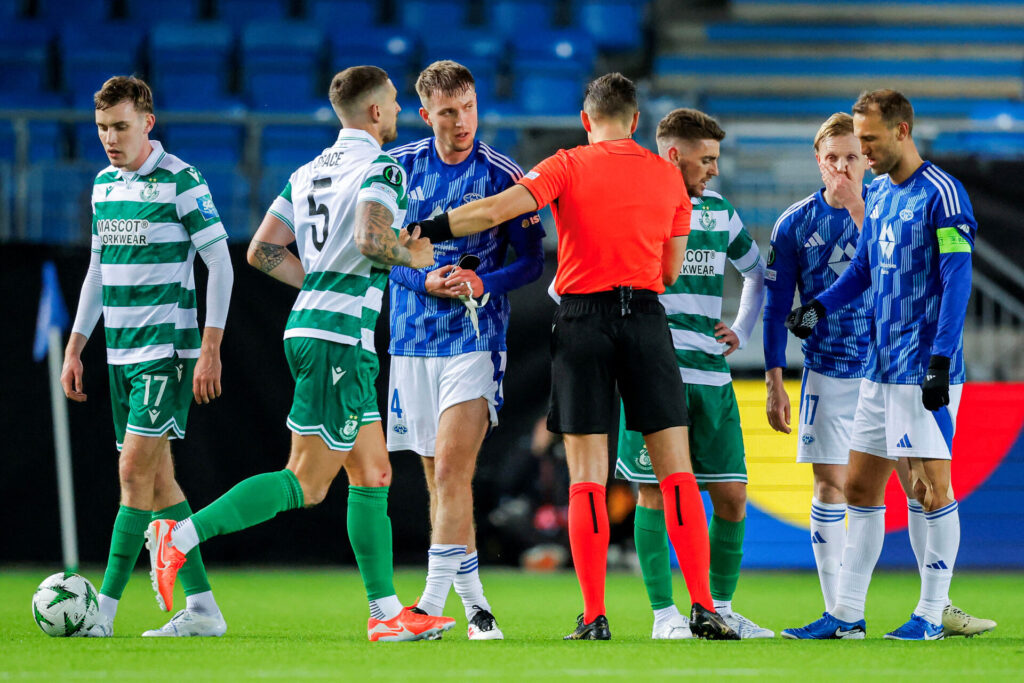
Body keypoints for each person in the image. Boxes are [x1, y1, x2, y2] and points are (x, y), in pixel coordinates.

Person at [411, 72, 738, 640]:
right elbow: (669, 271)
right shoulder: (668, 177)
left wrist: (427, 226)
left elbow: (493, 212)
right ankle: (704, 607)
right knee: (676, 474)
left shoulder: (566, 164)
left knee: (586, 477)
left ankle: (593, 616)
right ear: (636, 122)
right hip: (645, 319)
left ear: (588, 120)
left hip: (583, 321)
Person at [146, 66, 455, 642]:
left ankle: (386, 615)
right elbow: (370, 240)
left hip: (320, 328)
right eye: (391, 102)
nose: (395, 111)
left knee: (374, 472)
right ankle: (178, 539)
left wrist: (319, 279)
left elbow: (263, 249)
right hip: (337, 338)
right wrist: (415, 257)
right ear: (374, 113)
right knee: (306, 483)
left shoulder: (309, 170)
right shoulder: (382, 167)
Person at [770, 112, 996, 639]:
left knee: (928, 488)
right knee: (858, 487)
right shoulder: (883, 196)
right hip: (878, 367)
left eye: (868, 140)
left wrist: (942, 358)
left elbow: (958, 277)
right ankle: (847, 614)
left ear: (902, 130)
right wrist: (819, 308)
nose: (863, 151)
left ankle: (932, 613)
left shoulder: (943, 193)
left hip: (921, 368)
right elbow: (864, 269)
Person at [59, 76, 234, 638]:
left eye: (121, 127)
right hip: (120, 355)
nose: (111, 138)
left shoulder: (181, 180)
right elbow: (97, 272)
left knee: (132, 472)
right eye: (103, 128)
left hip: (168, 352)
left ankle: (100, 614)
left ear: (147, 123)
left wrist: (210, 348)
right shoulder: (104, 185)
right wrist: (76, 346)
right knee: (159, 486)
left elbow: (221, 265)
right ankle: (204, 608)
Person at [385, 60, 545, 640]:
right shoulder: (397, 169)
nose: (461, 121)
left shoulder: (504, 175)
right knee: (439, 482)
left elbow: (530, 260)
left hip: (475, 341)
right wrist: (421, 280)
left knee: (453, 470)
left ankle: (426, 609)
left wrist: (484, 283)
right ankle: (478, 609)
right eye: (448, 112)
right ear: (426, 114)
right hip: (411, 342)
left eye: (469, 108)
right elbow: (381, 252)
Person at [615, 108, 770, 639]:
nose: (714, 170)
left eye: (717, 160)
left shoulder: (721, 213)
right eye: (706, 160)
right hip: (654, 369)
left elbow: (758, 275)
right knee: (653, 493)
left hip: (711, 376)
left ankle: (718, 610)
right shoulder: (638, 205)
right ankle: (664, 616)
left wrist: (743, 331)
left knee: (731, 496)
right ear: (673, 154)